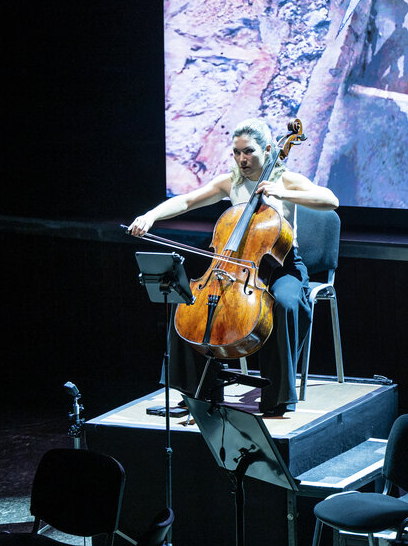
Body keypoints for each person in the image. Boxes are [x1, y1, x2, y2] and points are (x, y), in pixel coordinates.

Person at [129, 118, 338, 416]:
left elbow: (331, 200)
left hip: (281, 265)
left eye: (249, 152)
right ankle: (194, 391)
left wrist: (282, 195)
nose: (242, 159)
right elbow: (188, 201)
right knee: (189, 303)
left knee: (286, 303)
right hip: (234, 266)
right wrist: (151, 216)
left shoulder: (286, 180)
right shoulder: (231, 182)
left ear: (268, 150)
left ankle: (277, 396)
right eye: (237, 152)